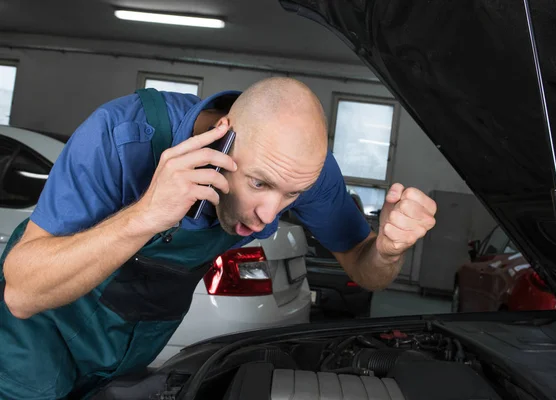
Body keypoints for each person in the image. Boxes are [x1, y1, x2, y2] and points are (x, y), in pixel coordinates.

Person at [0, 77, 436, 399]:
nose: (272, 213)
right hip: (31, 343)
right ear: (222, 138)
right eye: (260, 184)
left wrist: (387, 249)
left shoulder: (300, 169)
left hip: (124, 355)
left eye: (293, 195)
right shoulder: (122, 135)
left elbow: (366, 269)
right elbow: (22, 293)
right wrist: (147, 214)